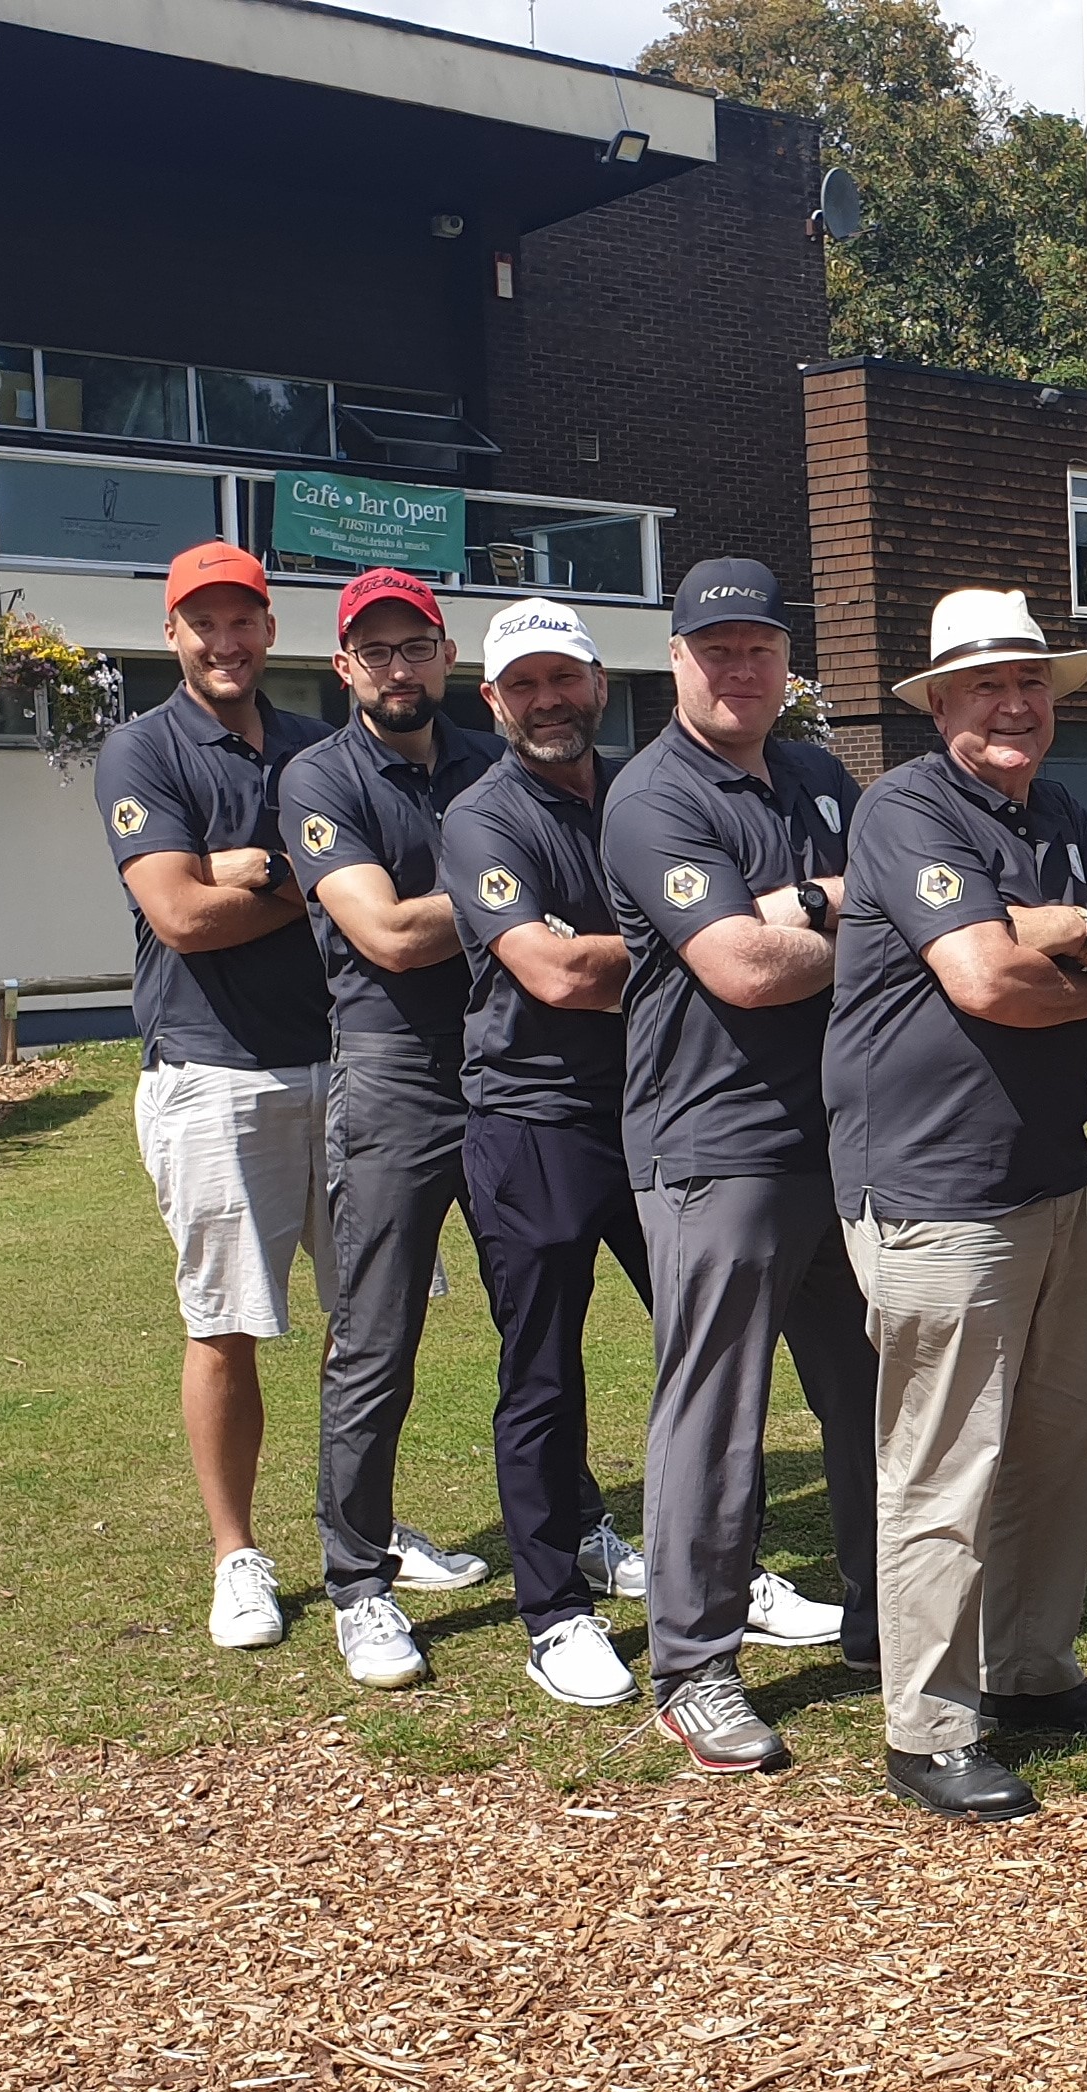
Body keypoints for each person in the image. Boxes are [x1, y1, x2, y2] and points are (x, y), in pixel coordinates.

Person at [828, 590, 1087, 1822]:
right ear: (939, 705)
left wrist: (1070, 939)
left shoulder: (1063, 809)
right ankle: (928, 1722)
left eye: (1028, 682)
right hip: (931, 1186)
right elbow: (985, 980)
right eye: (983, 687)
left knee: (1061, 1442)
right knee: (946, 1459)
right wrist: (1078, 953)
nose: (1013, 705)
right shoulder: (904, 806)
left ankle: (1027, 1667)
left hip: (1050, 1171)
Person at [599, 558, 877, 1772]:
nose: (739, 667)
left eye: (759, 646)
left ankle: (888, 1617)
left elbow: (850, 917)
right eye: (716, 649)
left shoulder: (818, 773)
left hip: (837, 1132)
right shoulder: (654, 796)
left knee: (874, 1391)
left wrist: (806, 900)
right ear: (676, 662)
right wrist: (860, 917)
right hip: (713, 1143)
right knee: (717, 1409)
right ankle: (695, 1665)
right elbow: (744, 970)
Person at [92, 541, 338, 1654]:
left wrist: (250, 868)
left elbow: (381, 865)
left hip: (347, 1059)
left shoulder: (315, 745)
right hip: (211, 1070)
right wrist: (310, 876)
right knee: (227, 1321)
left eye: (244, 621)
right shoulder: (142, 751)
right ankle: (236, 1554)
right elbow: (183, 918)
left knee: (369, 1321)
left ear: (270, 630)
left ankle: (361, 1524)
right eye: (205, 623)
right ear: (173, 632)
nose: (226, 641)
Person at [277, 567, 509, 1692]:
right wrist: (520, 900)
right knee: (376, 1337)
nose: (397, 668)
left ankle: (567, 1529)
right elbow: (388, 937)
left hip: (513, 1068)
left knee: (542, 1318)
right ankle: (358, 1581)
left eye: (413, 646)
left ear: (446, 653)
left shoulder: (491, 761)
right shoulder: (318, 777)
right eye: (374, 653)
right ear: (344, 669)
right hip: (392, 1080)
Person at [433, 600, 656, 1711]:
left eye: (564, 679)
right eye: (523, 686)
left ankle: (722, 1562)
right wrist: (696, 937)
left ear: (599, 684)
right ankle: (554, 1609)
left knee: (710, 1353)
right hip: (533, 1122)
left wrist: (626, 948)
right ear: (493, 700)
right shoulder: (482, 818)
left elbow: (589, 960)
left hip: (660, 1110)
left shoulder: (647, 794)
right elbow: (555, 976)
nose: (548, 701)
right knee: (542, 1375)